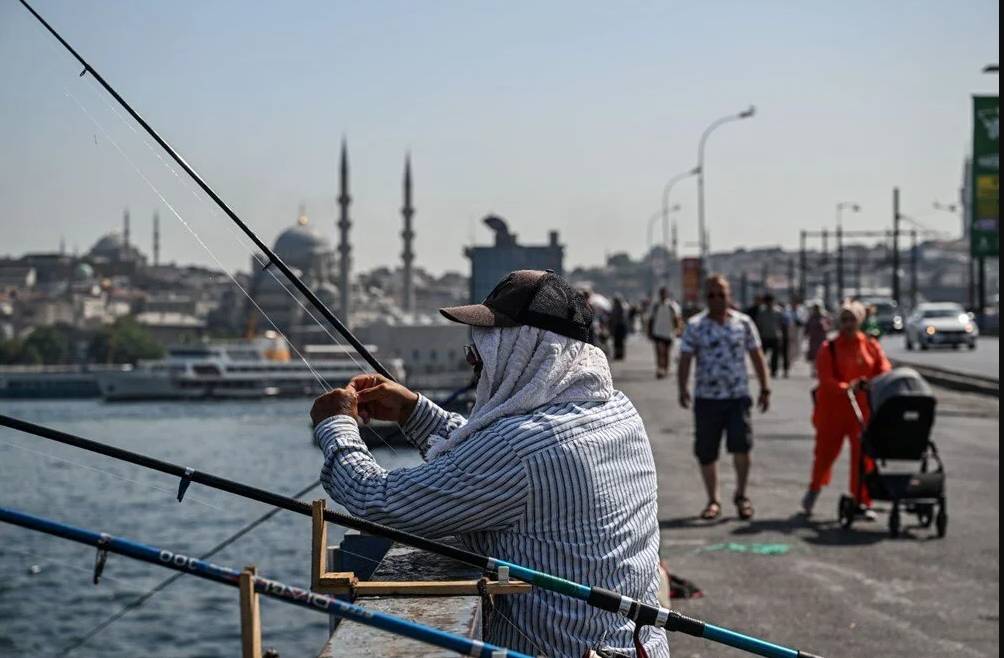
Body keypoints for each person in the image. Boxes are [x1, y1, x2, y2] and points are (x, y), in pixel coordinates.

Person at [310, 270, 668, 658]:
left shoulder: (519, 450)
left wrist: (337, 426)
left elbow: (375, 499)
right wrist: (415, 411)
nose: (475, 363)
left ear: (523, 351)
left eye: (480, 353)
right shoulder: (617, 411)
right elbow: (491, 457)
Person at [677, 274, 771, 521]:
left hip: (737, 396)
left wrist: (765, 386)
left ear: (729, 296)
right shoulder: (696, 325)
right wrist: (682, 387)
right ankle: (713, 500)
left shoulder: (744, 323)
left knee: (742, 445)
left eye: (721, 294)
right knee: (706, 451)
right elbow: (686, 358)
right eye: (711, 295)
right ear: (705, 298)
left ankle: (741, 495)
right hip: (707, 398)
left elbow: (756, 355)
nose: (717, 299)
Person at [801, 301, 892, 518]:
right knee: (824, 455)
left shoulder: (870, 345)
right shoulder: (829, 348)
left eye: (852, 319)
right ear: (838, 322)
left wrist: (876, 383)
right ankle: (814, 487)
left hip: (862, 412)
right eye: (845, 320)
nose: (848, 324)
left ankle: (862, 500)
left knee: (863, 457)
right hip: (833, 411)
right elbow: (826, 379)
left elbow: (884, 369)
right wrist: (847, 387)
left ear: (860, 321)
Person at [647, 286, 681, 379]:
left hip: (669, 333)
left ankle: (665, 369)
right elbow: (651, 319)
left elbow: (677, 319)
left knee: (666, 352)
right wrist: (649, 331)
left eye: (664, 293)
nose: (662, 295)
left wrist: (678, 329)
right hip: (657, 332)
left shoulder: (672, 306)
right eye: (661, 293)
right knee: (659, 351)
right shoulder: (655, 306)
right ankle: (660, 368)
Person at [753, 293, 787, 378]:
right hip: (764, 336)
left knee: (775, 356)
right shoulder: (761, 312)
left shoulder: (778, 312)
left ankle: (774, 371)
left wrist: (783, 335)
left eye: (770, 301)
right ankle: (763, 370)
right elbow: (758, 324)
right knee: (762, 355)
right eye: (767, 302)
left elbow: (782, 324)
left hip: (775, 336)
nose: (769, 303)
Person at [804, 304, 830, 378]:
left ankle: (820, 370)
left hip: (821, 339)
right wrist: (806, 333)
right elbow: (807, 326)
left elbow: (827, 327)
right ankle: (813, 371)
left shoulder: (824, 317)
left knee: (822, 356)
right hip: (813, 339)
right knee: (814, 357)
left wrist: (823, 324)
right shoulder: (811, 317)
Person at [610, 295, 629, 360]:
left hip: (620, 326)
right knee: (616, 342)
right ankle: (617, 354)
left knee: (620, 342)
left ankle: (620, 354)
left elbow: (622, 318)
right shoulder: (615, 308)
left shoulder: (622, 307)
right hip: (617, 326)